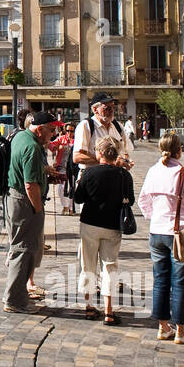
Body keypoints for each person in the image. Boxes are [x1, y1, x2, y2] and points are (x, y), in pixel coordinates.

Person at [138, 132, 184, 345]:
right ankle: (181, 330)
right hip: (179, 233)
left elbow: (143, 200)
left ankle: (163, 326)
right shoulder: (183, 173)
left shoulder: (153, 171)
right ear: (179, 150)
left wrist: (153, 216)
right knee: (180, 283)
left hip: (157, 231)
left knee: (160, 280)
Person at [72, 137, 134, 324]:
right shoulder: (124, 175)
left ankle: (90, 307)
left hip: (90, 223)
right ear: (115, 154)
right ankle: (109, 310)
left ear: (99, 154)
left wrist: (80, 183)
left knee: (88, 265)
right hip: (112, 225)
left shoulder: (90, 173)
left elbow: (78, 198)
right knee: (110, 266)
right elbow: (129, 200)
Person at [3, 110, 59, 314]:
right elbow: (30, 185)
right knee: (24, 250)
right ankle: (15, 301)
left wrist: (46, 174)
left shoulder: (20, 136)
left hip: (15, 198)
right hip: (24, 203)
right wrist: (38, 208)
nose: (53, 134)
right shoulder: (32, 147)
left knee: (21, 248)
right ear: (39, 128)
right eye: (51, 130)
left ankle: (16, 295)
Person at [72, 92, 134, 170]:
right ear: (95, 110)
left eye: (113, 107)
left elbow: (125, 152)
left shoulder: (118, 126)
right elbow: (77, 157)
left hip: (115, 175)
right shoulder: (86, 126)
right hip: (93, 176)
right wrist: (106, 160)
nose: (111, 111)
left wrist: (125, 161)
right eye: (107, 108)